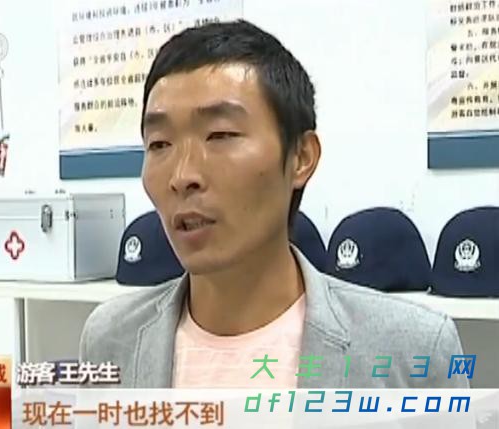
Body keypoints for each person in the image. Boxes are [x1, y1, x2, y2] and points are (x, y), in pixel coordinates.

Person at [79, 20, 469, 389]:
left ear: (301, 157)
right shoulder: (110, 337)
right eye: (160, 144)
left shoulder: (412, 350)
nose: (182, 175)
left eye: (220, 135)